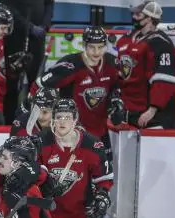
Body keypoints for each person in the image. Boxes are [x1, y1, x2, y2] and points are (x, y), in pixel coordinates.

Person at [34, 26, 124, 161]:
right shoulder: (70, 64)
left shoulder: (112, 63)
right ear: (84, 45)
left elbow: (116, 88)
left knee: (104, 175)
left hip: (101, 132)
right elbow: (40, 85)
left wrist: (116, 101)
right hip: (72, 133)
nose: (96, 52)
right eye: (92, 47)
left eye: (100, 47)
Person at [116, 1, 175, 129]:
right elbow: (121, 74)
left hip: (151, 116)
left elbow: (165, 80)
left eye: (138, 15)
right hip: (129, 111)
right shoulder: (126, 40)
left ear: (150, 18)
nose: (134, 17)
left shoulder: (161, 43)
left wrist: (152, 110)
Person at [0, 0, 55, 123]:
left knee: (36, 84)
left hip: (37, 39)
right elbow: (8, 6)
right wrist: (29, 27)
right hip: (14, 36)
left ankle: (34, 122)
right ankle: (9, 123)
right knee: (11, 85)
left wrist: (45, 26)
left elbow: (49, 4)